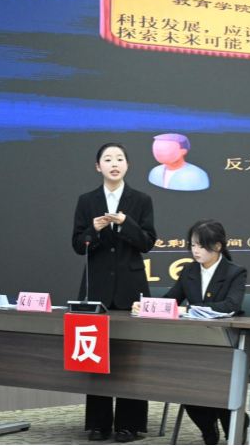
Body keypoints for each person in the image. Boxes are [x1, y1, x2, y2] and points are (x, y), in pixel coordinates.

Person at [133, 220, 248, 445]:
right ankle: (208, 428)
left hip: (226, 345)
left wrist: (190, 309)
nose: (195, 250)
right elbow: (171, 300)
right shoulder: (189, 270)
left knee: (218, 382)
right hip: (196, 343)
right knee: (184, 381)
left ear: (217, 246)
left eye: (201, 246)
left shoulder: (235, 272)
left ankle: (236, 428)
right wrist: (146, 306)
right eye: (193, 245)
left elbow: (230, 305)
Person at [72, 143, 157, 443]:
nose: (114, 163)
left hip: (131, 288)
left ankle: (128, 425)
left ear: (127, 165)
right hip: (96, 288)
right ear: (99, 167)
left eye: (119, 158)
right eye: (107, 159)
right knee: (94, 355)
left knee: (131, 357)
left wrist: (125, 223)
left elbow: (147, 242)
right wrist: (93, 231)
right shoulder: (87, 200)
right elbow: (77, 244)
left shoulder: (141, 200)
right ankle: (98, 424)